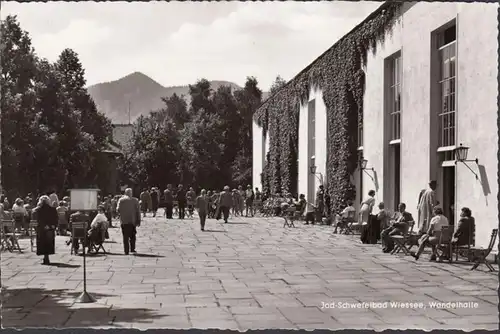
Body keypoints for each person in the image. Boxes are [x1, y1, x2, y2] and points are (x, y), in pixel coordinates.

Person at [34, 195, 58, 265]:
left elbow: (39, 220)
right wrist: (53, 226)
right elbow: (56, 219)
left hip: (42, 228)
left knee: (42, 242)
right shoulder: (53, 209)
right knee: (49, 242)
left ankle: (45, 257)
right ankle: (46, 256)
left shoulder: (38, 210)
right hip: (50, 228)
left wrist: (44, 225)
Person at [117, 188, 141, 255]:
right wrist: (138, 220)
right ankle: (132, 248)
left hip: (124, 221)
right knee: (133, 235)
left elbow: (117, 209)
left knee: (125, 236)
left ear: (125, 193)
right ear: (131, 193)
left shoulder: (121, 200)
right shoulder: (135, 200)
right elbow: (138, 211)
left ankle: (126, 250)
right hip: (132, 221)